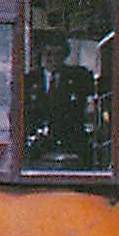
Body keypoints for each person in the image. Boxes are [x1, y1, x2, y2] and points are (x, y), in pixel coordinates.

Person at [24, 30, 94, 166]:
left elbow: (88, 109)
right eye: (48, 54)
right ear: (41, 55)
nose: (53, 59)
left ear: (64, 56)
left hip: (71, 144)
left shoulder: (79, 77)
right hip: (37, 147)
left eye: (58, 54)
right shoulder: (28, 80)